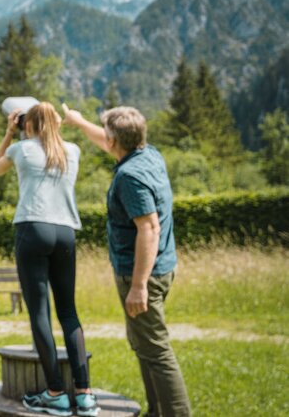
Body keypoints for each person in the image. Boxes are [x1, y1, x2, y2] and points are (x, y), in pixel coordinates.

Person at [62, 104, 191, 417]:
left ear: (113, 141)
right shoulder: (148, 154)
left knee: (156, 350)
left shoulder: (129, 177)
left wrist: (138, 286)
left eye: (105, 134)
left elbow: (149, 227)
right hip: (160, 267)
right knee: (144, 344)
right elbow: (106, 140)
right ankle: (156, 411)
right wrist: (78, 123)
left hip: (142, 273)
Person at [0, 101, 99, 417]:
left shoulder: (22, 150)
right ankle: (85, 395)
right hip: (66, 232)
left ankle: (55, 393)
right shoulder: (73, 151)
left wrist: (9, 132)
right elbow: (52, 135)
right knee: (69, 311)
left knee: (40, 313)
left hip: (32, 230)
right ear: (56, 123)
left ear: (27, 125)